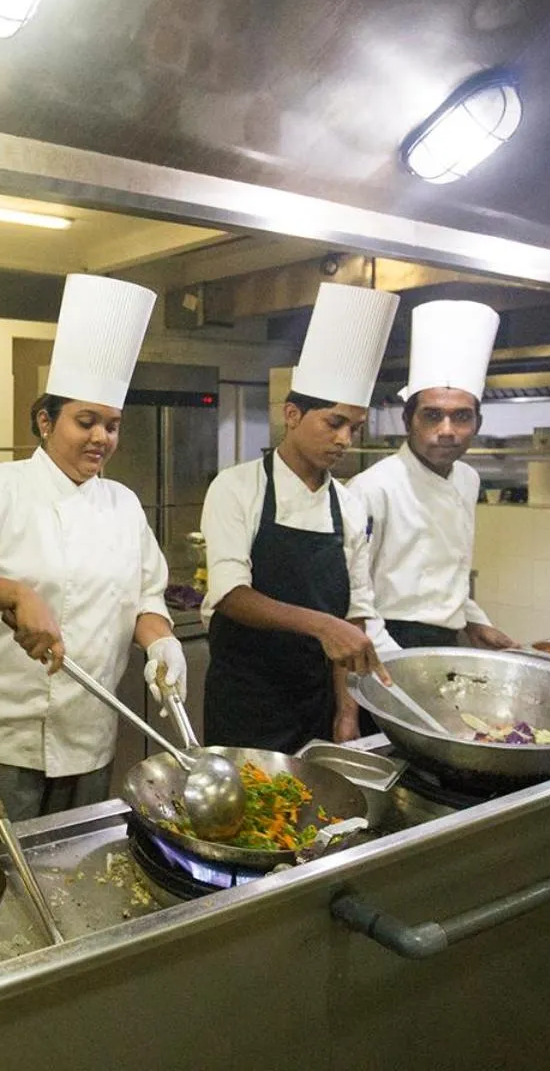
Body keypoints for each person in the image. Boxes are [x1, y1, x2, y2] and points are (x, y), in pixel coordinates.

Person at [0, 274, 182, 832]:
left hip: (92, 735)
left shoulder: (124, 505)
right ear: (45, 421)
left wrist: (161, 643)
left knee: (75, 874)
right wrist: (15, 593)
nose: (101, 439)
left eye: (111, 426)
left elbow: (145, 596)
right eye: (85, 422)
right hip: (2, 741)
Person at [200, 282, 397, 753]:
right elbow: (230, 594)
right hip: (246, 704)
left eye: (355, 427)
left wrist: (346, 711)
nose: (345, 439)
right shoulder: (237, 486)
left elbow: (355, 614)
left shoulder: (348, 506)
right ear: (292, 414)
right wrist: (322, 625)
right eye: (334, 423)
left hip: (317, 707)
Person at [353, 300, 517, 651]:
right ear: (408, 420)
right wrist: (393, 661)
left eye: (461, 417)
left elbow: (446, 573)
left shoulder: (468, 479)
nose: (447, 430)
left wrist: (475, 620)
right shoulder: (372, 488)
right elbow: (354, 593)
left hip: (446, 639)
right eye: (432, 416)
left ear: (477, 423)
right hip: (385, 640)